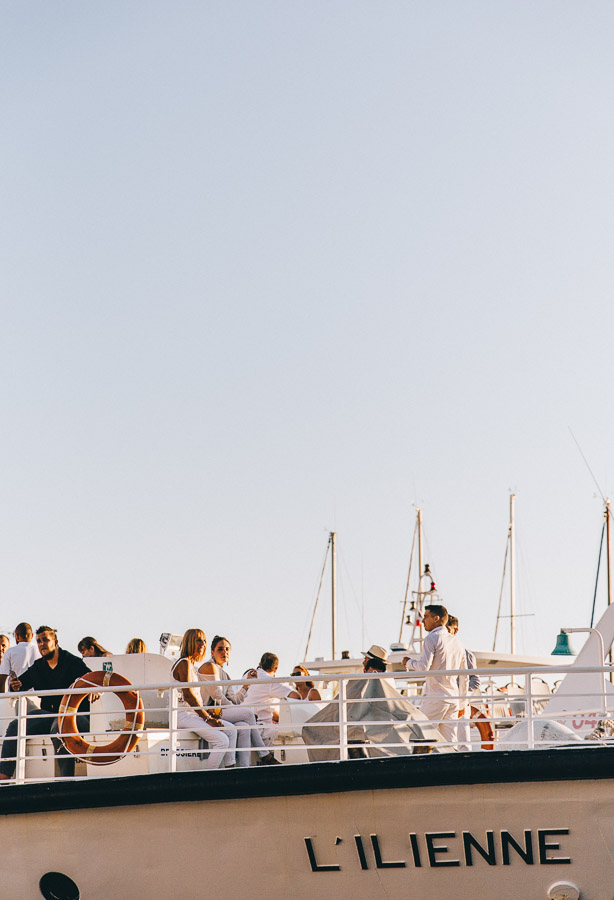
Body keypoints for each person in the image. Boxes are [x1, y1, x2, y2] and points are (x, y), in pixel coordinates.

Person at [0, 626, 92, 780]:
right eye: (39, 641)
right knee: (16, 726)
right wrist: (14, 686)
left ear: (55, 641)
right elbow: (20, 685)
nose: (42, 644)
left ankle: (66, 781)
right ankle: (3, 779)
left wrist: (95, 691)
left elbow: (93, 679)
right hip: (49, 715)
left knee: (59, 726)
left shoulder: (72, 662)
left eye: (45, 640)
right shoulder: (39, 666)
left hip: (75, 716)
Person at [197, 635, 279, 766]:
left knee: (244, 726)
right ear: (212, 652)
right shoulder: (209, 666)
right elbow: (218, 696)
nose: (225, 652)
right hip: (207, 713)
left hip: (220, 712)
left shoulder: (225, 675)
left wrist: (246, 685)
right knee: (248, 714)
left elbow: (234, 700)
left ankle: (243, 768)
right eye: (220, 649)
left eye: (227, 649)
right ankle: (264, 754)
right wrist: (235, 709)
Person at [171, 629, 237, 770]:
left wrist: (210, 713)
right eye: (198, 640)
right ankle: (210, 778)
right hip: (182, 715)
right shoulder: (184, 664)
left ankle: (231, 769)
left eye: (204, 641)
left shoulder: (191, 665)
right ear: (189, 642)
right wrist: (207, 718)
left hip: (192, 715)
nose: (202, 644)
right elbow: (189, 695)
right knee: (222, 741)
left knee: (231, 730)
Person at [402, 604, 467, 745]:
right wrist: (462, 703)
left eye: (426, 617)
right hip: (453, 699)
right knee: (450, 742)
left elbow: (423, 667)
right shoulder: (458, 643)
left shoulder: (431, 638)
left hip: (436, 697)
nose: (423, 620)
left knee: (418, 734)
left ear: (436, 618)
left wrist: (408, 662)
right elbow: (465, 676)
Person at [244, 652, 292, 745]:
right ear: (276, 669)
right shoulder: (269, 681)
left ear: (260, 664)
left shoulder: (247, 675)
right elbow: (294, 696)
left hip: (247, 724)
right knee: (294, 735)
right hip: (262, 729)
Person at [0, 623, 40, 693]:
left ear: (17, 636)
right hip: (38, 696)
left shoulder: (10, 652)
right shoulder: (40, 650)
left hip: (17, 697)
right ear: (32, 636)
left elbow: (2, 679)